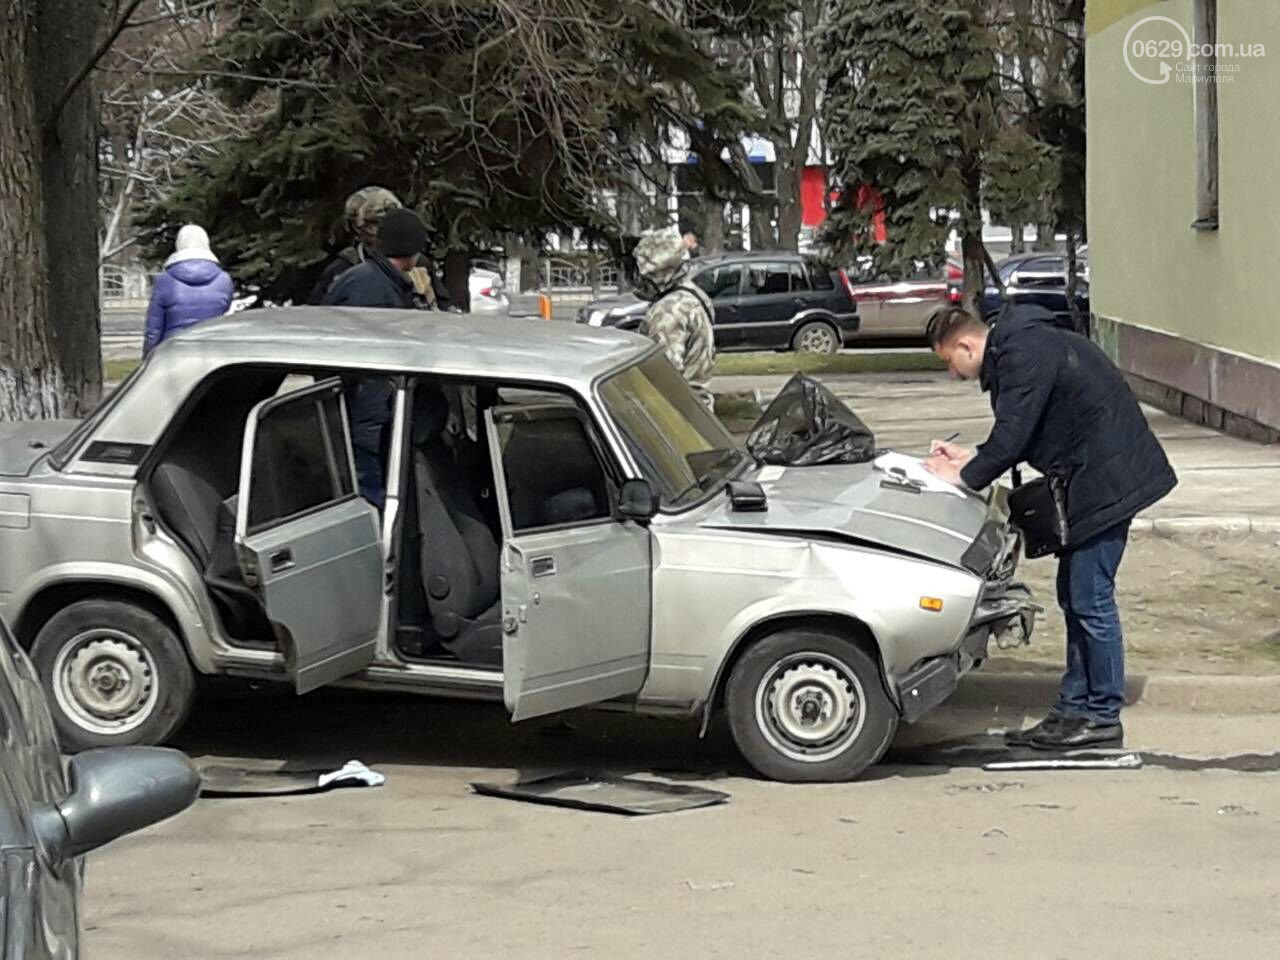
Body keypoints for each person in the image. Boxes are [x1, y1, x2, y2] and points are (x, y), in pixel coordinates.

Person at [923, 304, 1177, 750]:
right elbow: (1027, 428)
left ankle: (1100, 715)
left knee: (1089, 597)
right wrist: (974, 457)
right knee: (1076, 595)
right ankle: (1072, 708)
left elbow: (1015, 433)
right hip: (1094, 476)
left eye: (949, 361)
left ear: (966, 344)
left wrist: (963, 477)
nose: (953, 373)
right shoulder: (1021, 347)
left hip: (1108, 479)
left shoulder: (1023, 350)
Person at [323, 208, 432, 507]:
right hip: (370, 415)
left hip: (368, 410)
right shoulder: (373, 290)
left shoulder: (373, 280)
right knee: (372, 500)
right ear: (413, 251)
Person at [308, 186, 448, 308]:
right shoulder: (343, 266)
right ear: (356, 227)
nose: (377, 231)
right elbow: (318, 315)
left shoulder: (417, 263)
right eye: (372, 224)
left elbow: (443, 310)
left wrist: (427, 298)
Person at [632, 225, 716, 410]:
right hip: (699, 408)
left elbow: (665, 377)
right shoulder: (692, 294)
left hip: (679, 413)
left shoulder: (668, 311)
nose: (638, 280)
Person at [143, 225, 234, 355]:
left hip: (173, 353)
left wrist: (148, 358)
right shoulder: (224, 279)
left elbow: (154, 329)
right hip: (213, 353)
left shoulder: (164, 280)